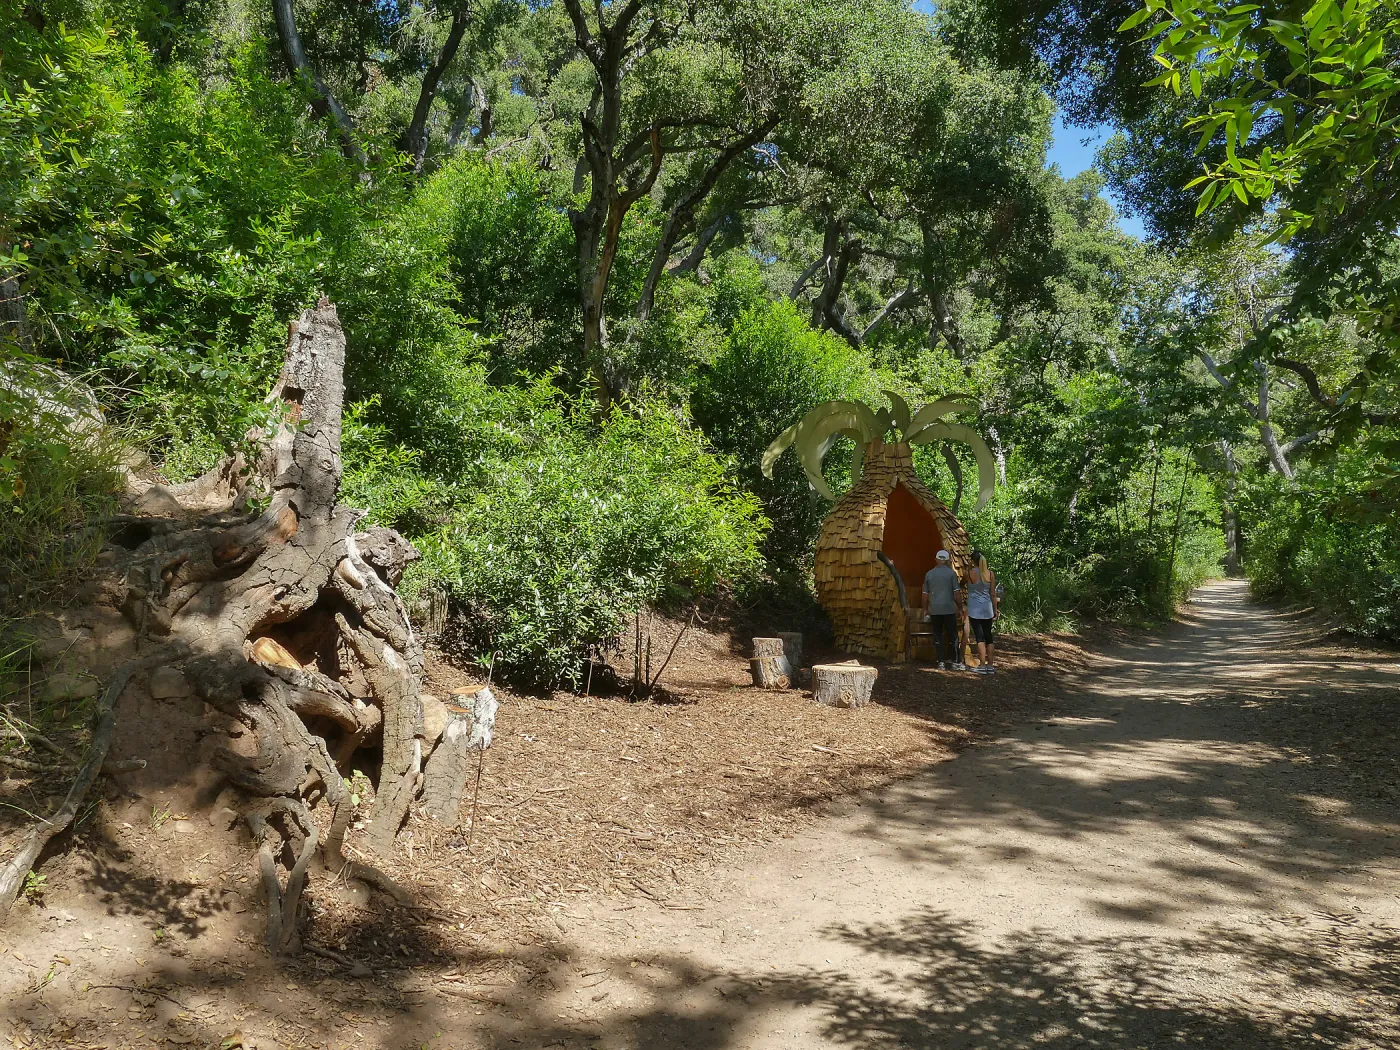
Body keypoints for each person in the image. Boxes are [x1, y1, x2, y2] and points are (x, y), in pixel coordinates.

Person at [922, 550, 965, 670]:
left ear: (936, 559)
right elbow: (957, 594)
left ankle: (941, 662)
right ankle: (955, 662)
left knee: (937, 635)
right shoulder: (951, 574)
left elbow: (925, 594)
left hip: (935, 610)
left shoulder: (929, 574)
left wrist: (925, 609)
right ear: (947, 560)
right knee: (953, 636)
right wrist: (960, 608)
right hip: (949, 609)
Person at [965, 548, 999, 674]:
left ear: (972, 561)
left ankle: (982, 665)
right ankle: (990, 665)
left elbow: (962, 583)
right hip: (987, 608)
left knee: (979, 638)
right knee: (988, 637)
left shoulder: (969, 574)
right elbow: (993, 594)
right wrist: (995, 609)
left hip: (974, 609)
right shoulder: (990, 574)